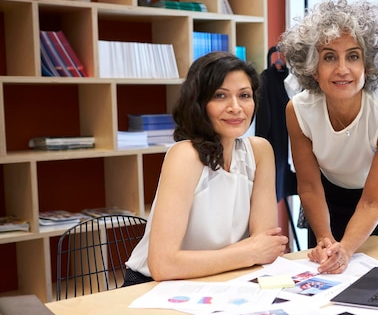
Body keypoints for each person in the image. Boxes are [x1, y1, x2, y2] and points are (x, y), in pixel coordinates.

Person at [123, 52, 288, 286]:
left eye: (244, 95)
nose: (235, 107)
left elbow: (267, 247)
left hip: (223, 279)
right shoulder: (185, 155)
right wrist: (249, 252)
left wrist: (253, 252)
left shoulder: (261, 151)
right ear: (199, 103)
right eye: (220, 95)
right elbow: (163, 265)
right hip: (155, 286)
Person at [279, 0, 378, 275]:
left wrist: (348, 248)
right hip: (329, 197)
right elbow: (309, 186)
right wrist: (325, 237)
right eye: (329, 57)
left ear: (369, 64)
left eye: (353, 56)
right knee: (327, 275)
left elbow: (373, 202)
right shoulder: (298, 111)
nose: (342, 69)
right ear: (313, 67)